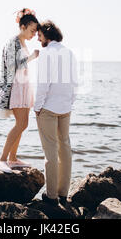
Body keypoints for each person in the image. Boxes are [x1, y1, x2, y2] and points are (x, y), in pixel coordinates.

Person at [34, 20, 78, 205]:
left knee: (50, 151)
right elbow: (75, 82)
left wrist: (37, 107)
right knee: (65, 149)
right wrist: (69, 102)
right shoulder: (69, 52)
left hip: (49, 108)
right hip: (66, 108)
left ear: (46, 34)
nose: (38, 37)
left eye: (39, 34)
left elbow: (43, 84)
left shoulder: (45, 54)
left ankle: (51, 196)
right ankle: (63, 193)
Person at [0, 8, 40, 173]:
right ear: (23, 26)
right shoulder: (13, 41)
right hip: (16, 88)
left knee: (23, 124)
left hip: (24, 86)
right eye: (32, 30)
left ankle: (12, 158)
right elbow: (12, 66)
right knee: (21, 123)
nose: (34, 34)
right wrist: (32, 57)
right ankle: (2, 159)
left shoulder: (22, 42)